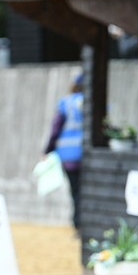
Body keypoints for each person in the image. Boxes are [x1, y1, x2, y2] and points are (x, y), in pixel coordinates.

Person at [44, 71, 84, 229]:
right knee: (86, 191)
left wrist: (47, 150)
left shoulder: (65, 103)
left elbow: (55, 129)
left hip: (68, 156)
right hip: (88, 155)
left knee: (75, 191)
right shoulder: (94, 103)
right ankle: (84, 224)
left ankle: (77, 224)